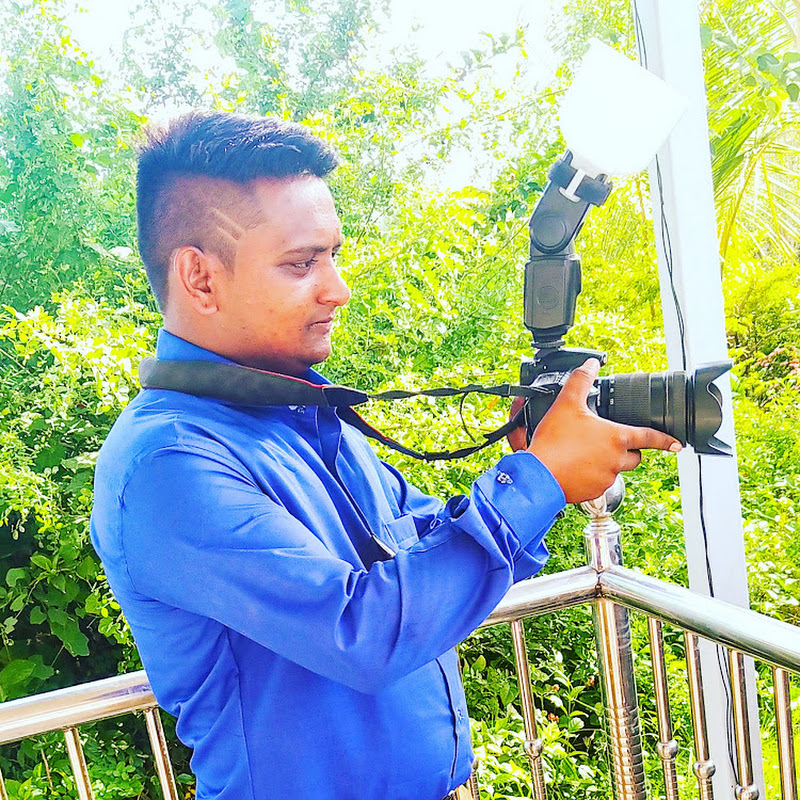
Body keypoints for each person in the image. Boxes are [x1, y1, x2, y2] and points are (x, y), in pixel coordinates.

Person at [90, 112, 680, 800]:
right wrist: (540, 479)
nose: (337, 288)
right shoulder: (166, 465)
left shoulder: (304, 415)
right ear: (199, 278)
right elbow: (363, 633)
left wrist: (531, 467)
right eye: (302, 263)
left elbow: (422, 549)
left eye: (333, 256)